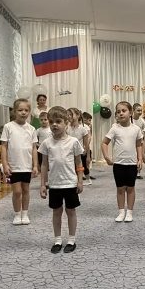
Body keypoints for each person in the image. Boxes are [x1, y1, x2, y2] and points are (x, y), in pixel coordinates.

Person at [39, 106, 83, 254]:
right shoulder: (46, 143)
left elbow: (79, 163)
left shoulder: (73, 142)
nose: (54, 125)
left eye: (58, 121)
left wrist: (80, 181)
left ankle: (71, 239)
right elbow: (44, 165)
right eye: (51, 122)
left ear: (66, 123)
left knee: (71, 211)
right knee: (56, 211)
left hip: (70, 182)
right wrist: (43, 184)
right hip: (54, 184)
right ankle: (57, 239)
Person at [102, 101, 143, 223]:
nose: (121, 113)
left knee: (130, 188)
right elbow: (104, 142)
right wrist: (107, 157)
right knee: (120, 189)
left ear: (130, 113)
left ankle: (129, 212)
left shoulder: (136, 129)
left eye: (124, 111)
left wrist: (140, 159)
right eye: (118, 111)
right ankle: (121, 212)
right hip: (119, 164)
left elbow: (139, 145)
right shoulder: (115, 128)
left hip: (131, 164)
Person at [0, 98, 38, 226]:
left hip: (26, 165)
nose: (23, 112)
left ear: (29, 112)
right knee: (17, 191)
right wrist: (5, 164)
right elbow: (4, 146)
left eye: (26, 110)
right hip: (14, 165)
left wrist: (35, 165)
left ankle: (25, 213)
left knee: (26, 190)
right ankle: (17, 214)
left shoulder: (31, 129)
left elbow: (34, 148)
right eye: (20, 110)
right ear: (15, 111)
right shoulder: (8, 127)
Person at [67, 108, 92, 185]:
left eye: (71, 114)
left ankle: (88, 179)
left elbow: (86, 143)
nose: (69, 116)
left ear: (77, 115)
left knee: (83, 165)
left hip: (81, 151)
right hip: (70, 152)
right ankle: (75, 179)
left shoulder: (83, 129)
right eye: (68, 115)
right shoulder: (67, 129)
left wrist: (88, 156)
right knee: (72, 166)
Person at [132, 104, 145, 179]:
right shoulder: (130, 120)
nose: (140, 112)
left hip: (139, 141)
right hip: (131, 141)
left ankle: (138, 173)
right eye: (138, 110)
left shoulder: (142, 121)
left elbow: (144, 131)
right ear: (133, 110)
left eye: (141, 110)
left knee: (139, 156)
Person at [82, 112, 96, 180]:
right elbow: (88, 138)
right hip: (83, 147)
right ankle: (83, 174)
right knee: (83, 162)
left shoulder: (89, 126)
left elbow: (90, 136)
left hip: (87, 147)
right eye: (85, 120)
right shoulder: (83, 127)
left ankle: (87, 174)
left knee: (87, 161)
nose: (88, 122)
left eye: (89, 120)